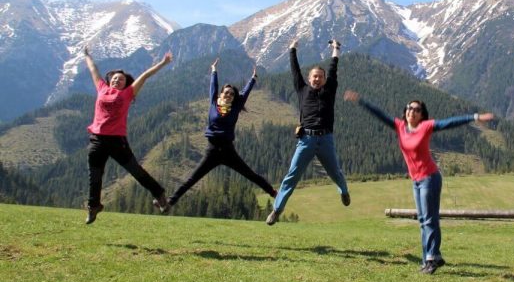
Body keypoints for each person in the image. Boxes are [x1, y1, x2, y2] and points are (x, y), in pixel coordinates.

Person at [344, 90, 494, 274]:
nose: (411, 111)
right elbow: (380, 114)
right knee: (424, 220)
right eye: (409, 108)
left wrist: (475, 116)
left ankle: (430, 259)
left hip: (430, 178)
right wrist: (361, 101)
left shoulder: (426, 127)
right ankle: (432, 257)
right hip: (416, 180)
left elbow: (450, 123)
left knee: (429, 219)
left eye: (416, 109)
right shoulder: (399, 126)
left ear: (422, 114)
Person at [164, 58, 277, 213]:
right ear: (221, 94)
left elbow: (245, 93)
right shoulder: (213, 103)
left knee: (250, 174)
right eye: (226, 92)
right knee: (192, 179)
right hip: (212, 150)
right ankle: (169, 202)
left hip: (228, 151)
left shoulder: (236, 106)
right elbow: (213, 86)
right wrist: (214, 70)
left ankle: (274, 193)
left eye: (231, 94)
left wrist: (253, 78)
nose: (229, 95)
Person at [83, 47, 173, 224]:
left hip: (117, 141)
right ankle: (93, 207)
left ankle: (159, 195)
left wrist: (163, 63)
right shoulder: (101, 88)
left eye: (121, 79)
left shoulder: (128, 93)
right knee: (95, 175)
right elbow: (93, 69)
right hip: (97, 139)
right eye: (115, 78)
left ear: (126, 84)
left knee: (135, 171)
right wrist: (87, 56)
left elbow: (146, 75)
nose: (117, 80)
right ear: (110, 81)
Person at [266, 39, 351, 225]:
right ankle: (277, 210)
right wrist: (292, 49)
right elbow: (294, 69)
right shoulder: (302, 89)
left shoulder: (330, 90)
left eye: (321, 76)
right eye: (314, 76)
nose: (317, 79)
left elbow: (334, 66)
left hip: (326, 139)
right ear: (309, 78)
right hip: (306, 140)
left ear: (325, 79)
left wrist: (336, 49)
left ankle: (344, 192)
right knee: (292, 176)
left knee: (335, 172)